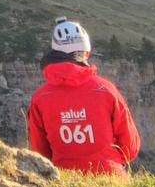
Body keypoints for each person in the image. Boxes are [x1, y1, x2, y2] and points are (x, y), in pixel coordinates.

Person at [28, 17, 141, 176]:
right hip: (110, 176)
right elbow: (130, 146)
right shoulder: (105, 89)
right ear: (86, 52)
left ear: (55, 52)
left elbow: (40, 151)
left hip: (64, 177)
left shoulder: (40, 97)